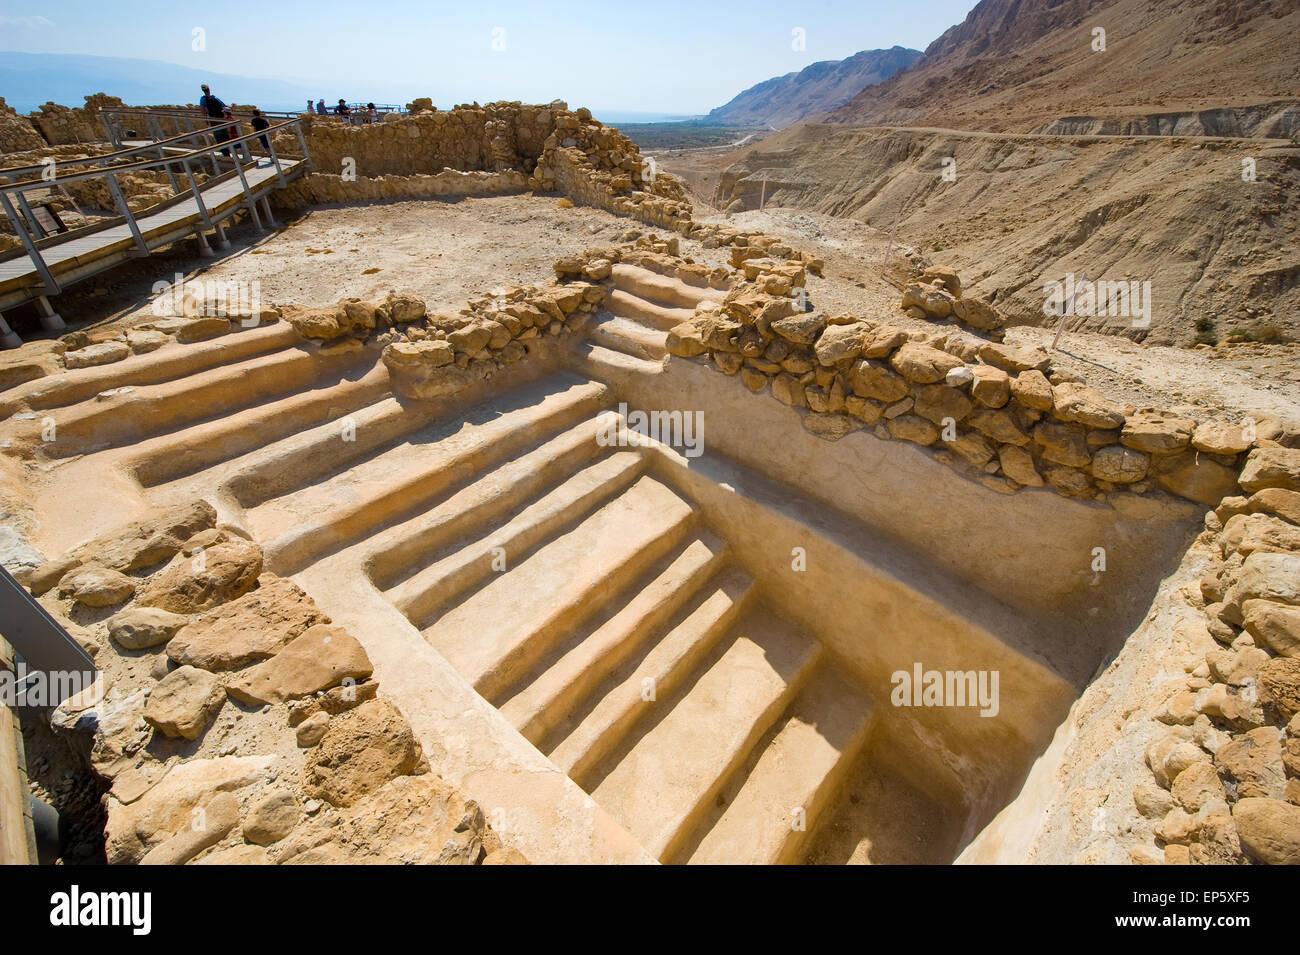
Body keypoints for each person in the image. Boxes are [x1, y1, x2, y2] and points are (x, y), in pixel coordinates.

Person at [198, 83, 227, 148]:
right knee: (225, 135)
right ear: (209, 90)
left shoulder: (203, 99)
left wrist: (206, 120)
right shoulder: (215, 98)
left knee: (218, 136)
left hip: (213, 120)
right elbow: (224, 107)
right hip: (221, 119)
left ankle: (224, 152)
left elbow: (202, 111)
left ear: (203, 91)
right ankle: (229, 149)